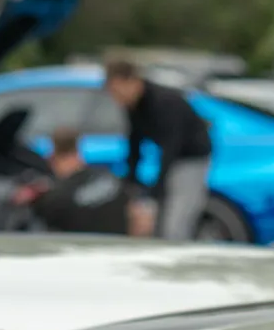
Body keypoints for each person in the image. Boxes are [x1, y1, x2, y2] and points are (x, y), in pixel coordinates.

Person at [103, 54, 211, 240]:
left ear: (132, 82)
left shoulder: (164, 102)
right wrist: (131, 182)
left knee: (176, 222)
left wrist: (153, 195)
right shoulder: (133, 106)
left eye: (117, 90)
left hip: (190, 158)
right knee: (158, 222)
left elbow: (171, 148)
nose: (115, 97)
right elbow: (134, 144)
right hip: (171, 156)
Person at [13, 127, 155, 235]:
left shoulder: (54, 200)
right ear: (78, 152)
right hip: (119, 252)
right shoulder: (110, 177)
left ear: (52, 157)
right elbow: (140, 220)